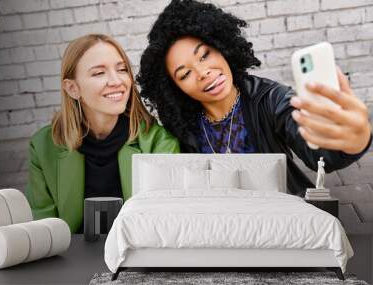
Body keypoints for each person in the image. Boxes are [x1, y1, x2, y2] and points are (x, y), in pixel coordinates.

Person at [137, 0, 372, 196]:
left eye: (205, 54)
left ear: (221, 45)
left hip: (282, 222)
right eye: (185, 74)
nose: (203, 73)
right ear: (176, 88)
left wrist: (355, 139)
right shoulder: (184, 126)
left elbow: (320, 156)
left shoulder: (269, 99)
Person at [26, 34, 180, 233]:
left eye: (122, 69)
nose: (116, 81)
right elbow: (43, 229)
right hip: (70, 258)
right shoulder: (42, 146)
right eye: (99, 73)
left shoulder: (159, 142)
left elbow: (163, 224)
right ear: (72, 88)